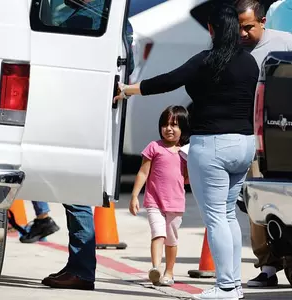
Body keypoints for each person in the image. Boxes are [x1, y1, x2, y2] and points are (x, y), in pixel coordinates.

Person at [114, 1, 259, 298]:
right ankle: (234, 284)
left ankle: (226, 287)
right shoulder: (250, 62)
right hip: (244, 144)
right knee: (229, 215)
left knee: (217, 217)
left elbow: (167, 81)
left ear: (211, 29)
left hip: (213, 145)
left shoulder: (206, 60)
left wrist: (129, 90)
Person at [40, 0, 135, 290]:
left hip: (79, 114)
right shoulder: (114, 21)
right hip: (86, 113)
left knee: (76, 191)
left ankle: (81, 270)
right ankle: (77, 265)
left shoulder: (87, 19)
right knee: (75, 192)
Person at [233, 0, 292, 289]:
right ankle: (267, 267)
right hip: (246, 138)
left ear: (264, 21)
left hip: (281, 137)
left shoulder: (286, 44)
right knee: (255, 204)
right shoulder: (231, 48)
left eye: (248, 27)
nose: (242, 34)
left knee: (287, 201)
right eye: (238, 27)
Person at [130, 105, 189, 287]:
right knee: (158, 234)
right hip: (154, 202)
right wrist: (134, 196)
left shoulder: (186, 152)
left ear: (183, 129)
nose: (169, 129)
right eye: (165, 124)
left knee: (171, 240)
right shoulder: (154, 147)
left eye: (174, 125)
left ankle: (169, 271)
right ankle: (155, 268)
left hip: (176, 204)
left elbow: (188, 178)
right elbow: (142, 172)